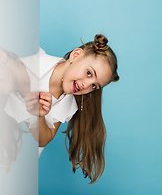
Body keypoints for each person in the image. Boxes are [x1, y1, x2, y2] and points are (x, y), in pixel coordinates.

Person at [5, 34, 119, 183]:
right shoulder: (35, 60)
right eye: (89, 73)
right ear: (76, 55)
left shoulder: (67, 103)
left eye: (94, 86)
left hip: (16, 170)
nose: (86, 85)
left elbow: (43, 140)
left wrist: (38, 116)